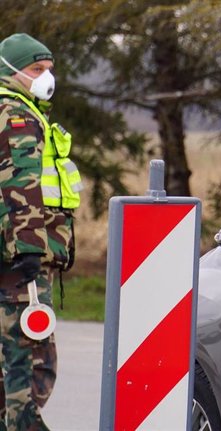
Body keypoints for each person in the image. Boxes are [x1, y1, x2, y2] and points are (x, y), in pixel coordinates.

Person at [0, 33, 82, 430]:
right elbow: (21, 185)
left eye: (49, 69)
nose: (46, 77)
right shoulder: (17, 115)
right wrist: (29, 250)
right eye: (36, 69)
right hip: (20, 262)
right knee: (30, 361)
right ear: (11, 70)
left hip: (10, 253)